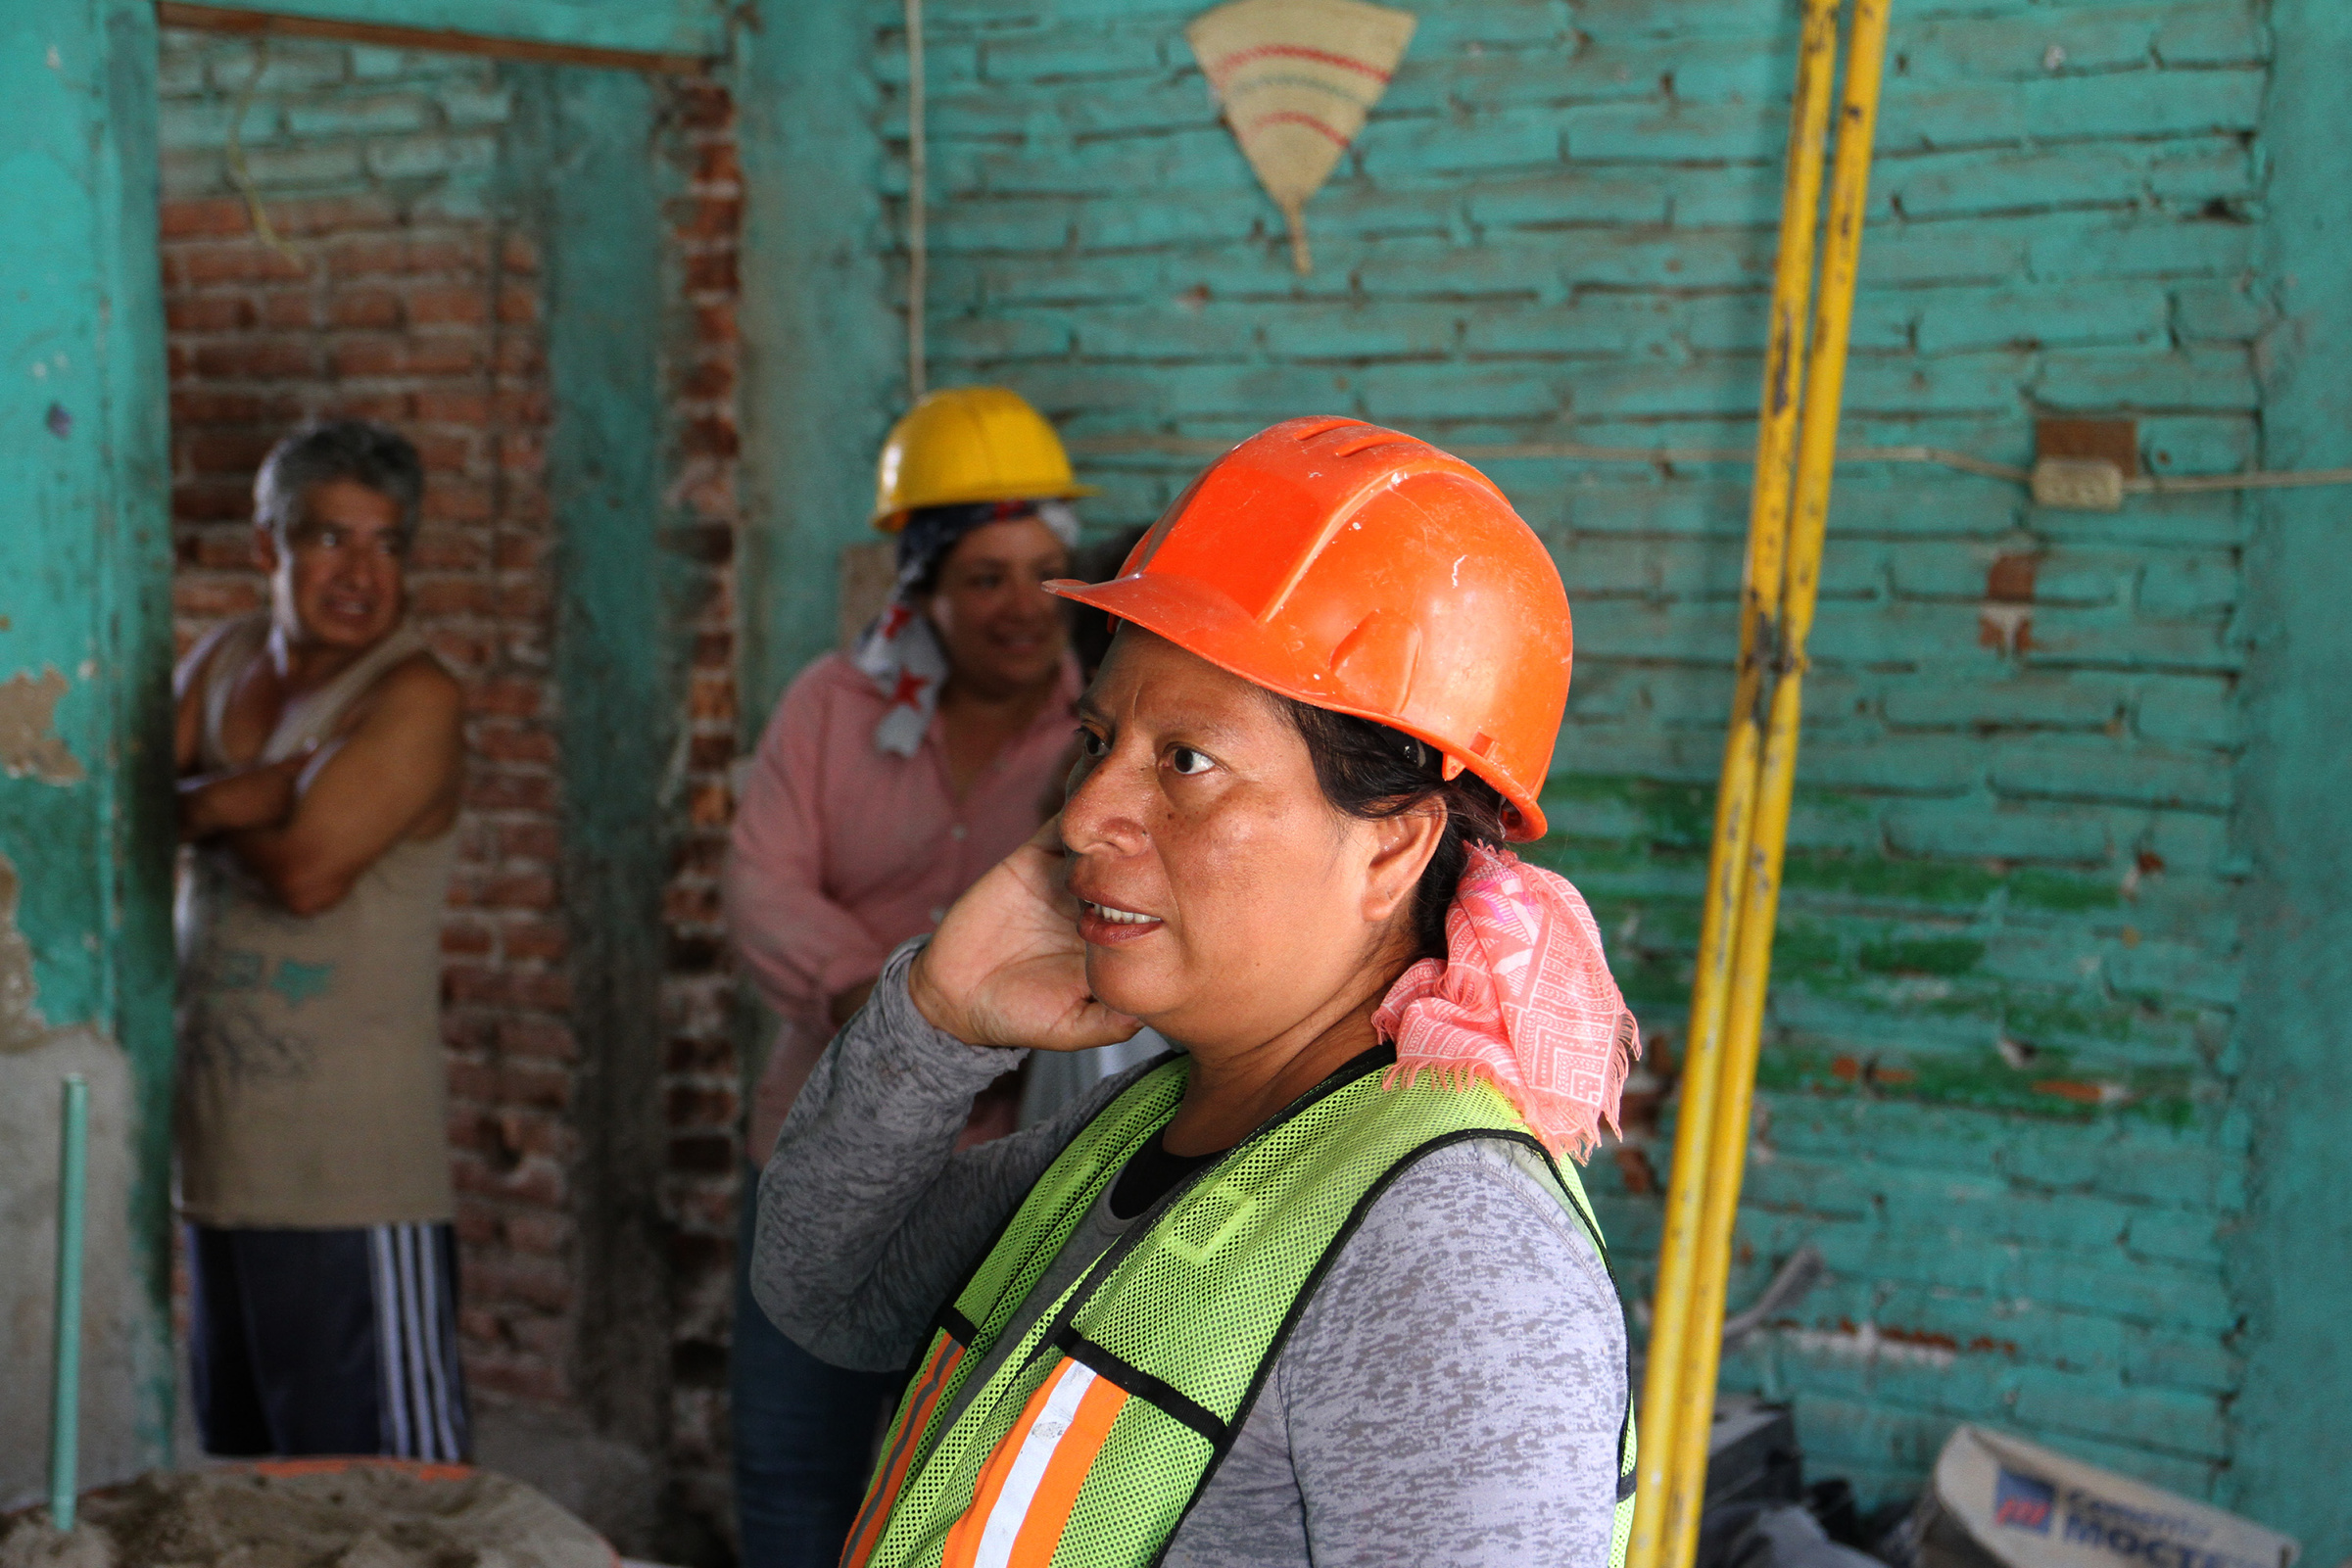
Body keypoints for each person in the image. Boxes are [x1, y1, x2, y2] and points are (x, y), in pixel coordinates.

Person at [753, 415, 1642, 1568]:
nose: (1082, 814)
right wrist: (934, 1020)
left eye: (1186, 760)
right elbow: (830, 1289)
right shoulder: (1148, 1122)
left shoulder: (1455, 1261)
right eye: (1097, 739)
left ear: (1390, 847)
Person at [725, 387, 1145, 1567]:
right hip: (822, 1137)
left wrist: (972, 1026)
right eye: (984, 577)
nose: (1022, 604)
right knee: (791, 1459)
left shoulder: (1101, 730)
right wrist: (906, 1013)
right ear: (922, 586)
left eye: (1044, 572)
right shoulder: (832, 706)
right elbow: (761, 888)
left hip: (1009, 1167)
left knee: (959, 1476)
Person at [171, 417, 469, 1460]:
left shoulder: (413, 693)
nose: (360, 572)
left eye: (387, 543)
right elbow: (138, 798)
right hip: (219, 1165)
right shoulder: (223, 662)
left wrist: (206, 805)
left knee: (394, 1498)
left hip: (352, 1178)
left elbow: (306, 874)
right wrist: (267, 789)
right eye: (331, 538)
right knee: (252, 1484)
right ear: (270, 546)